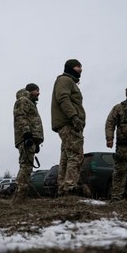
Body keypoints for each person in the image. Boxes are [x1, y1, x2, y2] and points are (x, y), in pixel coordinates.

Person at [51, 59, 85, 196]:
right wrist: (74, 117)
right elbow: (63, 98)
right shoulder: (65, 80)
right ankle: (70, 187)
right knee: (76, 154)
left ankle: (63, 188)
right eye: (78, 67)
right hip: (69, 123)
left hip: (67, 123)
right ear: (70, 68)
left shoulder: (68, 81)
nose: (81, 70)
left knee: (66, 156)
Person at [13, 83, 44, 202]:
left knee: (27, 166)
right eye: (37, 90)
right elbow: (21, 116)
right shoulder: (23, 100)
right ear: (30, 91)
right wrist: (27, 135)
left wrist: (36, 141)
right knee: (26, 166)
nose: (39, 93)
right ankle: (19, 199)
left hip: (31, 139)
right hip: (26, 138)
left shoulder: (30, 103)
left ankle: (20, 198)